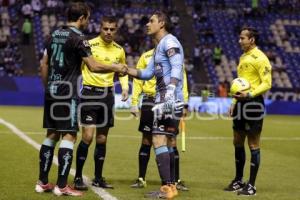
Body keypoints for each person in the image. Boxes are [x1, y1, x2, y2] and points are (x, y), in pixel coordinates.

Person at [35, 2, 127, 197]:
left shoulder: (52, 35)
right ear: (82, 18)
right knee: (69, 135)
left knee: (51, 134)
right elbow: (93, 66)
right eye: (87, 17)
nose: (88, 21)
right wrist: (117, 68)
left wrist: (48, 87)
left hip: (51, 90)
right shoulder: (79, 38)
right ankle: (61, 185)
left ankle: (42, 182)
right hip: (68, 93)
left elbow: (43, 64)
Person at [126, 10, 184, 199]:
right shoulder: (159, 48)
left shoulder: (170, 42)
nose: (147, 24)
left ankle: (168, 189)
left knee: (158, 139)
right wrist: (124, 69)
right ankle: (169, 186)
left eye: (151, 21)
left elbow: (177, 66)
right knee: (163, 140)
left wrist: (171, 89)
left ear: (162, 23)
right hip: (163, 98)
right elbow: (146, 74)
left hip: (168, 99)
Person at [73, 15, 129, 190]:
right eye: (106, 28)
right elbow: (88, 66)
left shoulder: (119, 50)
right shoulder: (89, 45)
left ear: (116, 30)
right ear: (100, 28)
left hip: (107, 96)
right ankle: (77, 177)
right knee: (87, 137)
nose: (109, 32)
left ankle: (98, 177)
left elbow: (123, 70)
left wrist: (126, 88)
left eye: (112, 29)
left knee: (102, 139)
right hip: (89, 93)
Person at [130, 47, 189, 191]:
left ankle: (174, 181)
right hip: (149, 100)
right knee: (146, 139)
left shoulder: (174, 55)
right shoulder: (146, 56)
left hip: (169, 101)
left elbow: (183, 80)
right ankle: (141, 179)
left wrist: (185, 103)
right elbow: (138, 81)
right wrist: (134, 102)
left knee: (171, 141)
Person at [224, 27, 272, 196]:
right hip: (240, 103)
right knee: (237, 141)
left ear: (252, 40)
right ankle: (238, 180)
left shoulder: (261, 58)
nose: (239, 41)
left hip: (253, 103)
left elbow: (267, 83)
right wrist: (234, 101)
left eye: (242, 38)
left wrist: (249, 94)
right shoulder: (243, 57)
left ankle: (251, 185)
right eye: (239, 38)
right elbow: (240, 83)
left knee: (253, 143)